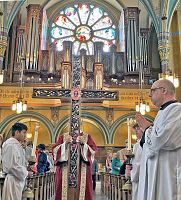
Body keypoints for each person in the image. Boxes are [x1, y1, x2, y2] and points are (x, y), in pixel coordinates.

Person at [136, 79, 181, 200]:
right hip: (159, 170)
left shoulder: (177, 110)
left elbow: (162, 140)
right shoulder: (163, 112)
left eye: (152, 90)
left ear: (164, 90)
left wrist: (146, 128)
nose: (150, 95)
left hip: (168, 172)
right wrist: (149, 130)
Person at [52, 131, 97, 200]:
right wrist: (65, 144)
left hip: (82, 170)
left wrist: (84, 144)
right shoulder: (63, 136)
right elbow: (55, 151)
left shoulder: (87, 137)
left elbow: (93, 152)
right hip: (65, 169)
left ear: (81, 121)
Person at [1, 123, 33, 200]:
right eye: (24, 132)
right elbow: (11, 166)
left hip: (19, 180)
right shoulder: (10, 145)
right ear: (17, 132)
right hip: (13, 182)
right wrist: (26, 173)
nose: (25, 135)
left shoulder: (17, 145)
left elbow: (20, 162)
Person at [127, 123, 143, 200]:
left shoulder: (143, 144)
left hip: (141, 176)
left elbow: (140, 162)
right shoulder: (136, 145)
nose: (136, 131)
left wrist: (132, 173)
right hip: (136, 175)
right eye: (135, 129)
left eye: (138, 128)